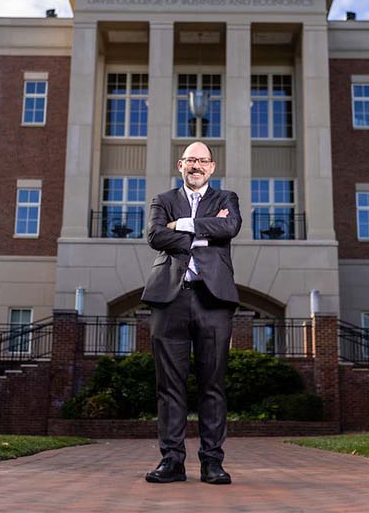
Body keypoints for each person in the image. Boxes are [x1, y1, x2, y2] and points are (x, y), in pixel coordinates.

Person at [140, 141, 241, 485]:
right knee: (169, 385)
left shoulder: (227, 199)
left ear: (212, 167)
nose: (196, 165)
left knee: (213, 385)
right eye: (190, 160)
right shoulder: (162, 200)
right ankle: (172, 461)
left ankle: (212, 462)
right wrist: (204, 229)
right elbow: (155, 235)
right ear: (179, 165)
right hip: (170, 299)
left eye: (202, 160)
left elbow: (231, 228)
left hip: (213, 299)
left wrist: (180, 226)